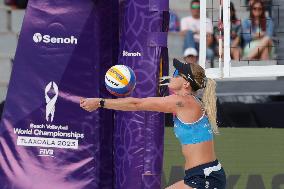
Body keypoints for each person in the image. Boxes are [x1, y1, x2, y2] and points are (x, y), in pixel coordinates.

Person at [80, 59, 226, 189]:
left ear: (186, 83)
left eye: (176, 73)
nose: (172, 75)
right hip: (200, 175)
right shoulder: (187, 101)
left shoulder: (182, 102)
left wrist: (100, 102)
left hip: (206, 178)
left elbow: (138, 104)